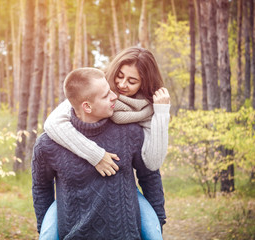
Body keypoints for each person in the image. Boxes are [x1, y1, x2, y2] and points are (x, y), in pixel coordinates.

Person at [40, 47, 170, 239]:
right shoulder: (96, 89)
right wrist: (96, 155)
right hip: (72, 192)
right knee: (47, 234)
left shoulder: (149, 110)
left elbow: (152, 164)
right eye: (120, 76)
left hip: (122, 188)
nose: (122, 85)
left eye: (132, 81)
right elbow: (52, 123)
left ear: (145, 84)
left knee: (153, 232)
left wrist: (161, 113)